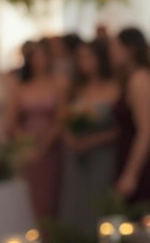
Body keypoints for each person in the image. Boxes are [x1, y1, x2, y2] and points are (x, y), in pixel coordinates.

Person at [58, 40, 120, 237]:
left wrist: (92, 141)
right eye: (81, 58)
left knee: (99, 204)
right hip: (77, 157)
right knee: (76, 203)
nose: (84, 62)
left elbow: (120, 128)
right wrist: (71, 140)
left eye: (88, 57)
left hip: (101, 156)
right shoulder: (75, 89)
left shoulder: (114, 88)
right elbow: (62, 119)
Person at [7, 41, 66, 221]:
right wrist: (25, 144)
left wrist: (44, 145)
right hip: (28, 148)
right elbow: (12, 120)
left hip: (50, 147)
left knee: (49, 195)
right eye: (36, 57)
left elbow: (61, 118)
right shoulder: (21, 86)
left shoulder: (59, 84)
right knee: (29, 196)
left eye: (43, 56)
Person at [111, 28, 150, 212]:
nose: (112, 53)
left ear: (130, 49)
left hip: (140, 162)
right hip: (127, 153)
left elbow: (146, 130)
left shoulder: (140, 79)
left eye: (116, 47)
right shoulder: (129, 79)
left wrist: (131, 174)